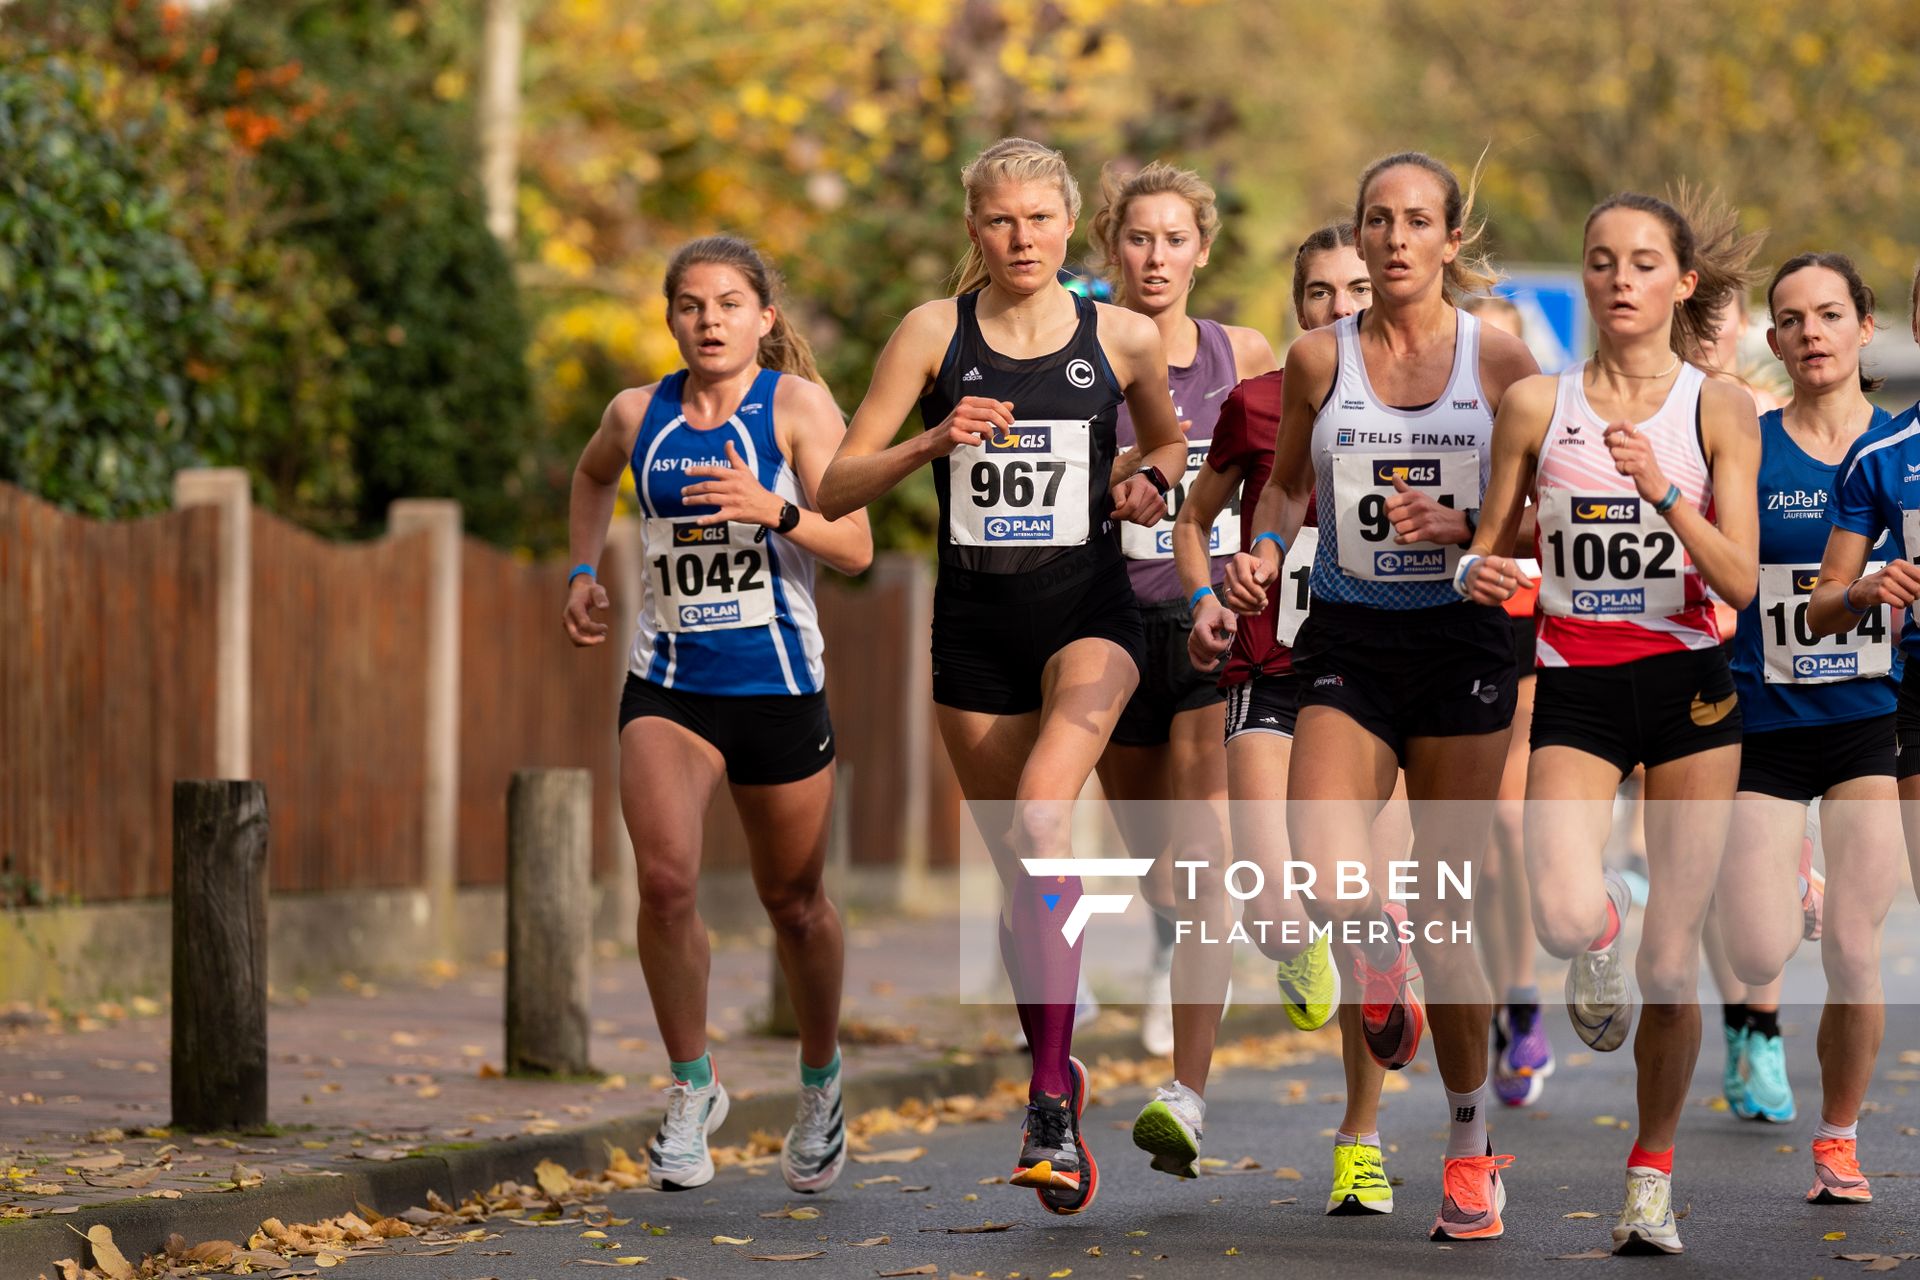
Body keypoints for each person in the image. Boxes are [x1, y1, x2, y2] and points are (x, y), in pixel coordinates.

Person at [817, 137, 1187, 1216]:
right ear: (972, 231)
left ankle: (1045, 1104)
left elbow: (1166, 448)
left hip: (1090, 615)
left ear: (1070, 224)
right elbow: (839, 481)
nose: (1021, 239)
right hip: (974, 632)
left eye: (1039, 219)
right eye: (999, 221)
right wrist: (933, 440)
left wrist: (1149, 488)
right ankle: (1058, 1070)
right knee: (1021, 879)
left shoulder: (1118, 336)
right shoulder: (934, 333)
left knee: (1040, 823)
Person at [1222, 152, 1540, 1243]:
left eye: (1416, 222)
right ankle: (1374, 946)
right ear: (1358, 237)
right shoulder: (1321, 359)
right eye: (1377, 221)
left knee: (1453, 922)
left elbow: (1551, 512)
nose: (1395, 239)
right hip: (1351, 633)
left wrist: (1471, 533)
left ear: (1451, 239)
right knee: (1322, 857)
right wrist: (1262, 551)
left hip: (1462, 643)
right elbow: (1288, 484)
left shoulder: (1500, 361)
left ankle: (1465, 1142)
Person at [1461, 188, 1764, 1254]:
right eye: (1601, 260)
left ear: (1682, 283)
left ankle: (1651, 1173)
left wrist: (1663, 491)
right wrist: (1479, 567)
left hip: (1689, 682)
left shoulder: (1717, 409)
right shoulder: (1537, 406)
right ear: (1584, 278)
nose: (1620, 278)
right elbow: (1487, 550)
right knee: (1551, 910)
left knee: (1673, 965)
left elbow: (1740, 577)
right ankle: (1598, 928)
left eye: (1643, 262)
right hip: (1577, 681)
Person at [563, 236, 873, 1195]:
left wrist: (769, 509)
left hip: (779, 689)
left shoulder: (796, 408)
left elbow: (857, 546)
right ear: (671, 319)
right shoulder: (634, 412)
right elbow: (588, 479)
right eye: (692, 305)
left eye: (730, 304)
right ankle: (692, 1088)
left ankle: (820, 1081)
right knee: (663, 884)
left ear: (764, 319)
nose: (710, 320)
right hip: (669, 684)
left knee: (796, 905)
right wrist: (581, 571)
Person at [1178, 221, 1404, 1214]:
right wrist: (1210, 592)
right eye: (1317, 291)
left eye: (1355, 286)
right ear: (1296, 303)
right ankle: (1294, 930)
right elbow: (1194, 518)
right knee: (1273, 896)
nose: (1338, 306)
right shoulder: (1258, 404)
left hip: (1381, 679)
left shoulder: (1435, 400)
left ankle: (1361, 1138)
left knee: (1367, 903)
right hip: (1268, 667)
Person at [1079, 160, 1277, 1169]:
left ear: (1203, 248)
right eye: (1138, 239)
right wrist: (1123, 476)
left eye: (1174, 239)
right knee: (1164, 877)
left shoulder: (1241, 352)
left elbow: (1287, 472)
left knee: (1201, 865)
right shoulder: (1084, 352)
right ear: (1115, 246)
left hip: (1209, 629)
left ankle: (1185, 1092)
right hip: (1111, 633)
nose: (1155, 257)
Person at [1715, 251, 1901, 1202]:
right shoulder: (1749, 439)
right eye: (1791, 320)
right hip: (1766, 717)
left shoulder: (1906, 448)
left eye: (1830, 315)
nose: (1811, 333)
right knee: (1756, 949)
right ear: (1775, 340)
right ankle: (1793, 876)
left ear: (1867, 328)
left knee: (1857, 946)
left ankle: (1838, 1140)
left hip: (1871, 718)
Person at [1464, 294, 1555, 1108]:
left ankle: (1524, 1003)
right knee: (1486, 858)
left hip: (1528, 641)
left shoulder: (1547, 422)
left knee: (1507, 826)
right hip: (1448, 637)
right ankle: (1506, 1001)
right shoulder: (1431, 419)